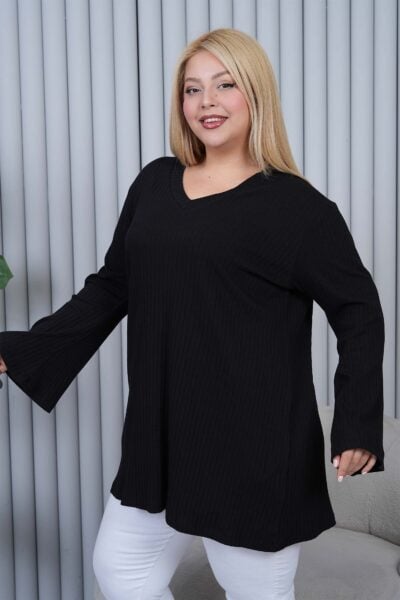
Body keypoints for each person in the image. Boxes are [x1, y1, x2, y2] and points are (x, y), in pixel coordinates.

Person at [0, 27, 385, 600]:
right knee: (121, 567)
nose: (207, 102)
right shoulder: (155, 183)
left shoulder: (300, 209)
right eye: (192, 89)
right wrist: (20, 352)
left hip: (254, 443)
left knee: (252, 588)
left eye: (225, 85)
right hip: (163, 433)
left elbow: (360, 312)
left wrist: (356, 423)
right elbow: (111, 288)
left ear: (255, 93)